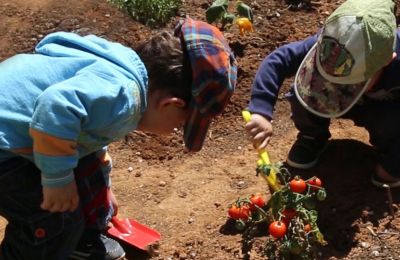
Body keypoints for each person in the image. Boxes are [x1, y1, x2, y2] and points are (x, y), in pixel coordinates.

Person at [0, 17, 237, 260]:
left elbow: (87, 129)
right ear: (171, 104)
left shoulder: (122, 66)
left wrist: (101, 186)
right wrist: (57, 179)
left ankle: (80, 242)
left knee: (80, 172)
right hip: (4, 144)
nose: (174, 131)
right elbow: (55, 107)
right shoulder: (126, 98)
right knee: (53, 220)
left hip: (17, 128)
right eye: (179, 124)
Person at [245, 0, 400, 188]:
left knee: (391, 127)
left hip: (386, 108)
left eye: (351, 83)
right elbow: (278, 60)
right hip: (333, 100)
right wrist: (261, 111)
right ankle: (312, 136)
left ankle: (389, 152)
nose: (335, 85)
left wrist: (394, 162)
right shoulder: (336, 43)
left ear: (386, 61)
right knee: (302, 91)